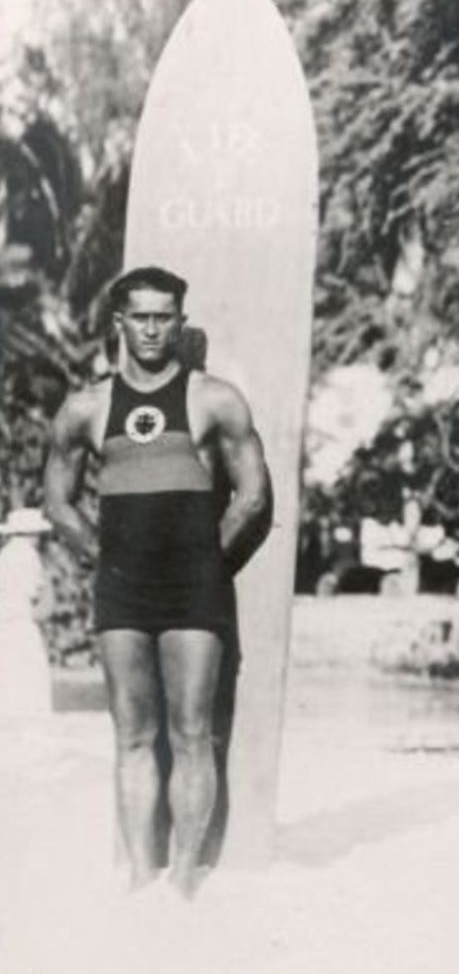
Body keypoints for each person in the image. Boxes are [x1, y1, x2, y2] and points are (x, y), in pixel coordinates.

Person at [42, 265, 272, 899]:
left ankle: (185, 881)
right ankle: (141, 873)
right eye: (139, 316)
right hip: (123, 590)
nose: (151, 328)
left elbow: (254, 498)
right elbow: (58, 502)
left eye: (163, 316)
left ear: (180, 322)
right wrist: (102, 556)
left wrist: (206, 559)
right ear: (119, 322)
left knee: (193, 732)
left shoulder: (213, 398)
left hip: (194, 589)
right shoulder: (86, 407)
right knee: (133, 733)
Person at [0, 507, 55, 719]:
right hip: (21, 623)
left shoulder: (5, 555)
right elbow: (41, 601)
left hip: (5, 622)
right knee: (30, 677)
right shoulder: (29, 556)